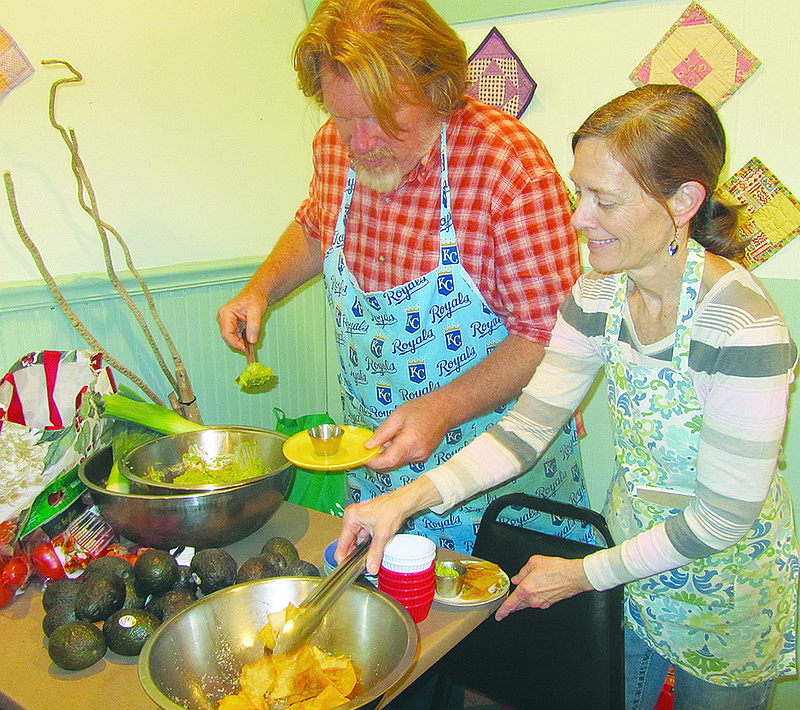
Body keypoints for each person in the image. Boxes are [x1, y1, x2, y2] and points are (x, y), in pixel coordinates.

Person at [337, 83, 799, 710]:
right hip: (631, 580)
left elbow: (719, 521)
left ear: (684, 201)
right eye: (581, 192)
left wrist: (578, 574)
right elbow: (524, 431)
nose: (578, 217)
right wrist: (406, 500)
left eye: (604, 200)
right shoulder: (598, 296)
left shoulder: (744, 330)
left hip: (726, 595)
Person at [218, 0, 590, 553]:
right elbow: (317, 227)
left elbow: (549, 336)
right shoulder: (335, 148)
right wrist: (260, 289)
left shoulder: (506, 165)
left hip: (497, 488)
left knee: (491, 635)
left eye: (382, 119)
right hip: (376, 473)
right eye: (343, 117)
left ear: (438, 90)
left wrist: (441, 409)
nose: (359, 141)